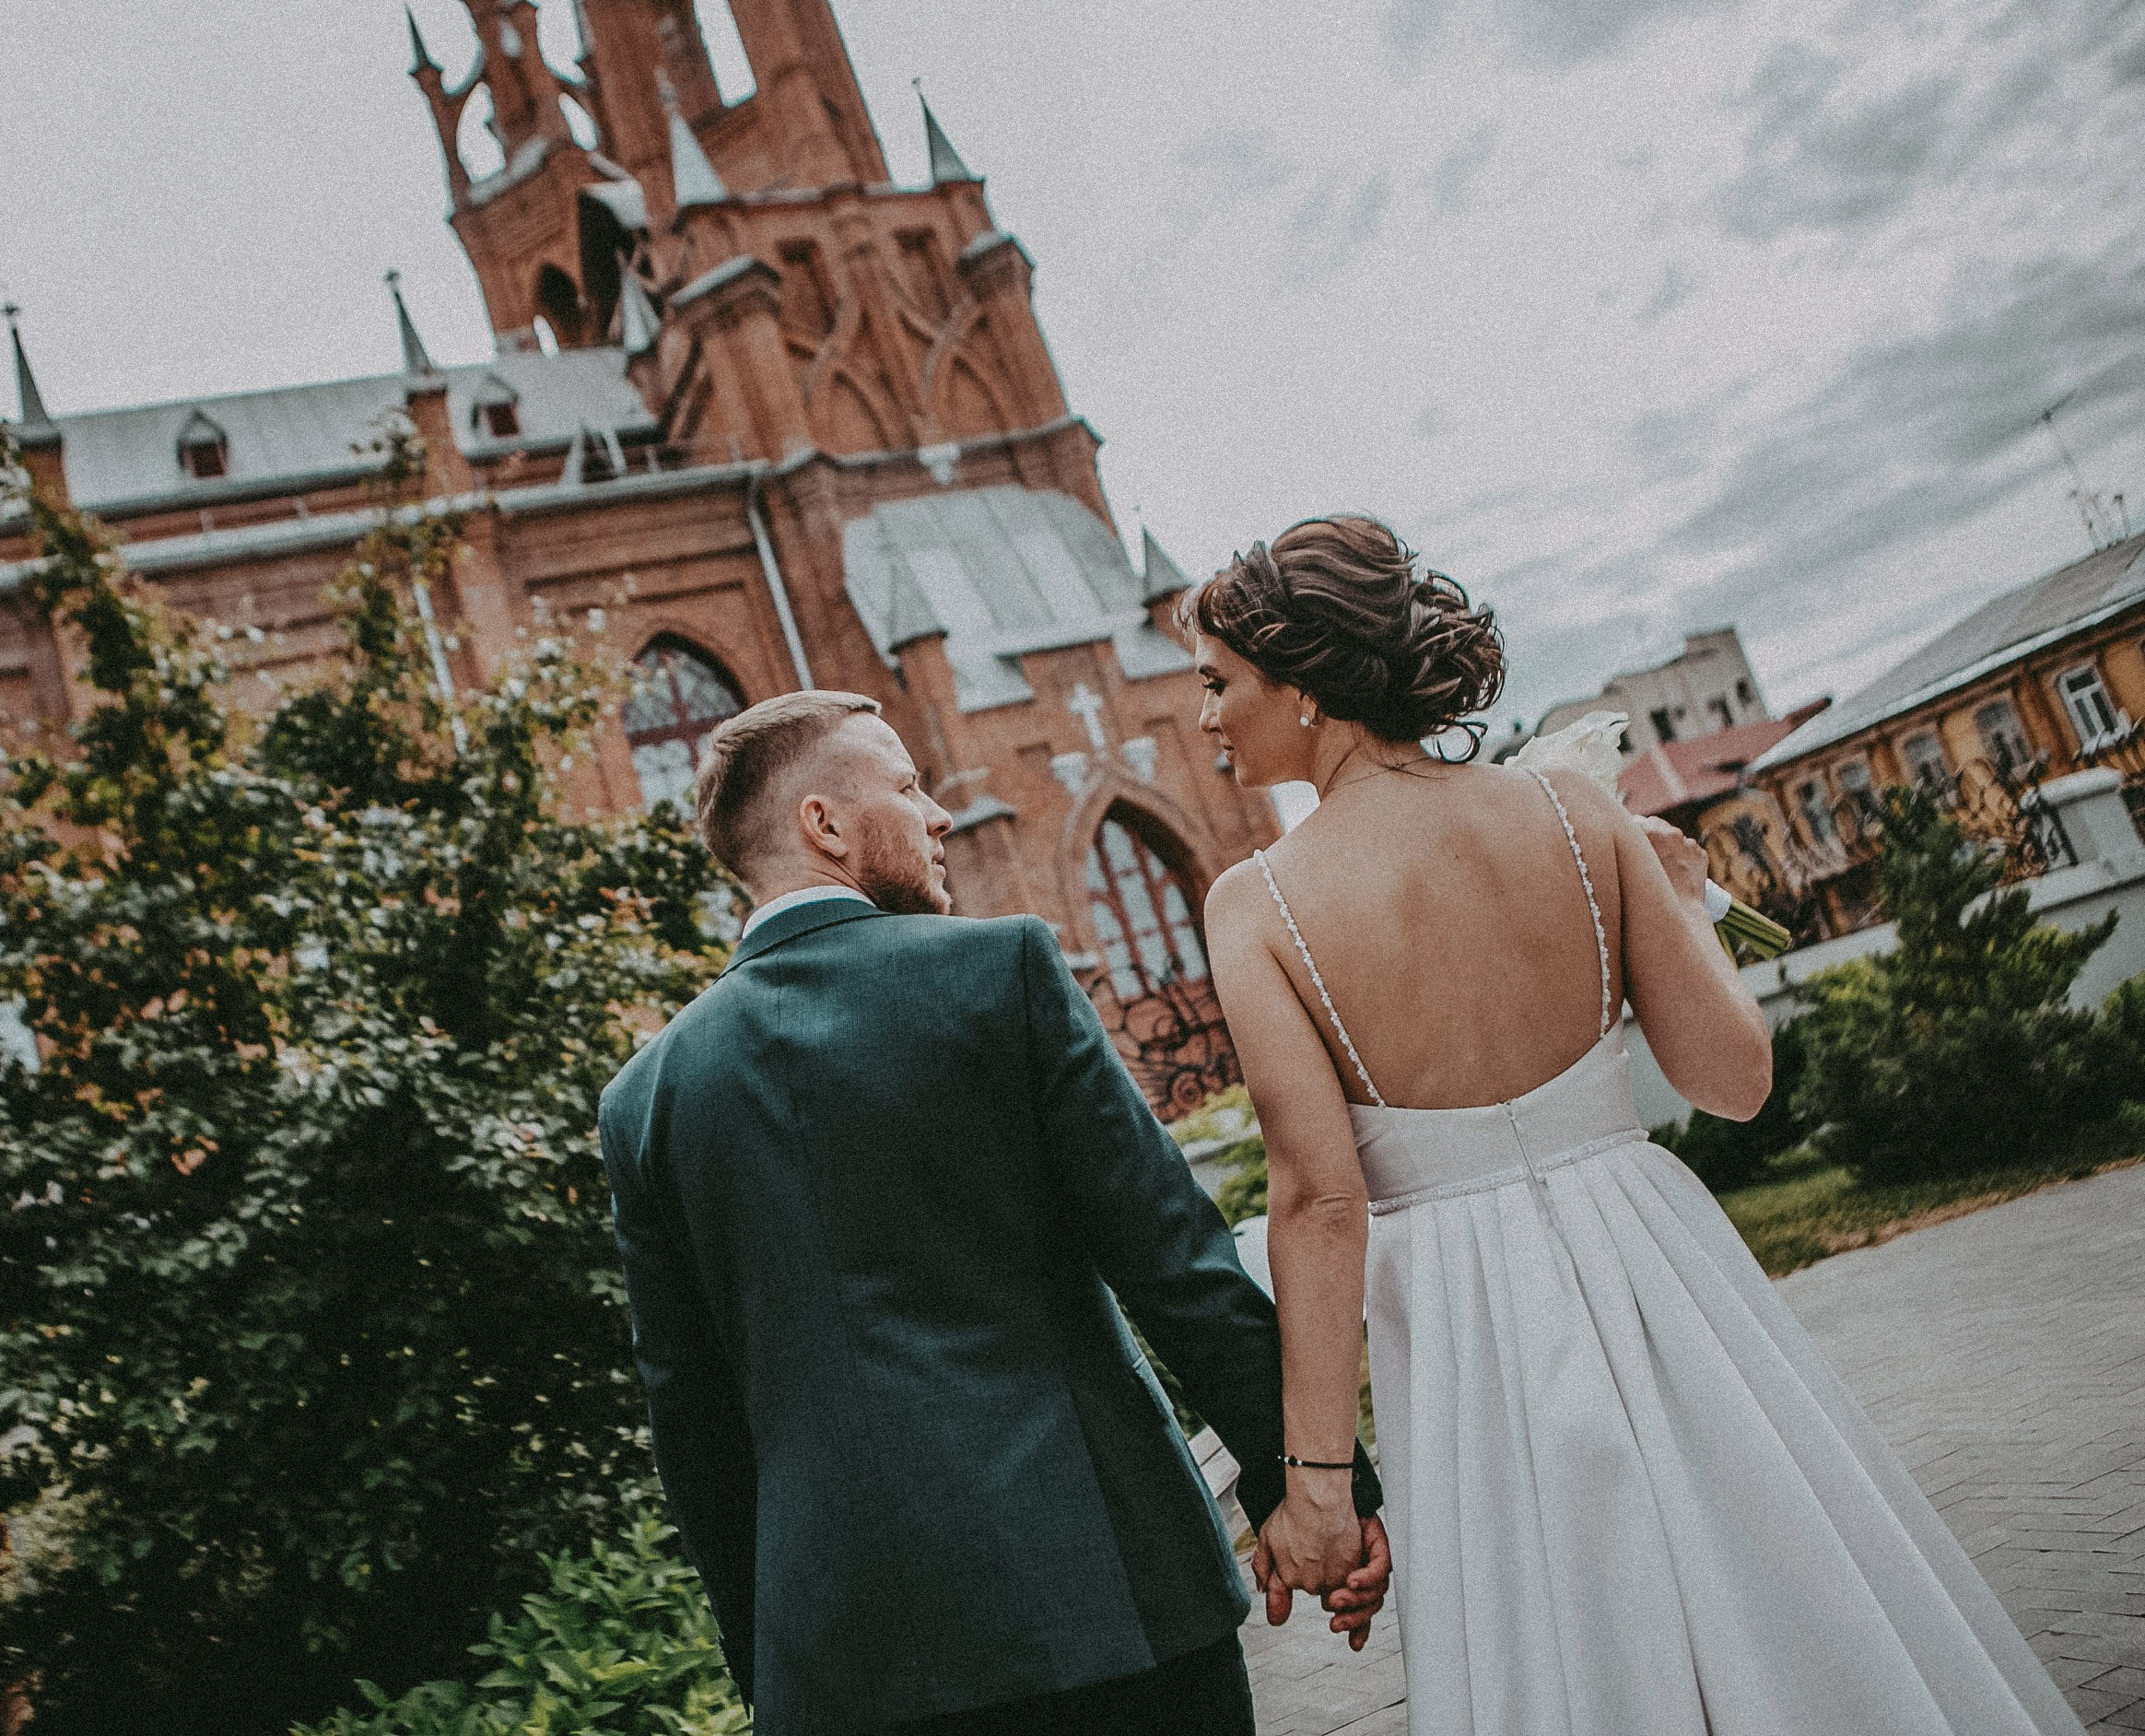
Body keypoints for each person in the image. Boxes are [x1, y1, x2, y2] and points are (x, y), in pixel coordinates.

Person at [1187, 515, 2087, 1735]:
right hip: (1659, 1273)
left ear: (1300, 686)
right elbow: (1735, 1079)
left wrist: (1320, 1493)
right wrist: (1677, 897)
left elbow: (1320, 1198)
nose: (1204, 716)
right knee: (1779, 1590)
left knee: (1568, 1650)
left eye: (1218, 682)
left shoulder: (1256, 906)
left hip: (1467, 1335)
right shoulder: (1573, 814)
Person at [596, 691, 1389, 1736]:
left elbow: (690, 1421)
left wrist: (771, 1669)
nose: (938, 817)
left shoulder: (645, 1098)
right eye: (908, 786)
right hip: (1104, 1594)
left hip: (843, 1661)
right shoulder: (998, 969)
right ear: (823, 824)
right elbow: (1173, 1260)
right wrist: (1321, 1493)